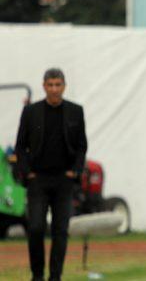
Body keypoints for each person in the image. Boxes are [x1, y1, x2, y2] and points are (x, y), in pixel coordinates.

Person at [15, 68, 88, 281]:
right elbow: (21, 146)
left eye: (58, 85)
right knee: (36, 228)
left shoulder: (76, 111)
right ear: (44, 86)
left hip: (64, 181)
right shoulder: (31, 112)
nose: (54, 89)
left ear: (64, 86)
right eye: (50, 85)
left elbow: (82, 146)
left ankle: (55, 276)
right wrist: (27, 173)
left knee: (60, 231)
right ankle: (37, 275)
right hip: (38, 180)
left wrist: (75, 171)